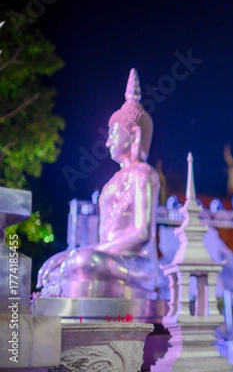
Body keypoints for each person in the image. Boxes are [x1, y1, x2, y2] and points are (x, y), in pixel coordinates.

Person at [37, 68, 160, 299]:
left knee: (84, 261)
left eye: (114, 133)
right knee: (58, 270)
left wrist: (86, 251)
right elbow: (104, 240)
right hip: (109, 256)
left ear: (133, 134)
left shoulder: (144, 174)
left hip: (135, 262)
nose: (108, 141)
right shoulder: (112, 182)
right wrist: (74, 254)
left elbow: (142, 233)